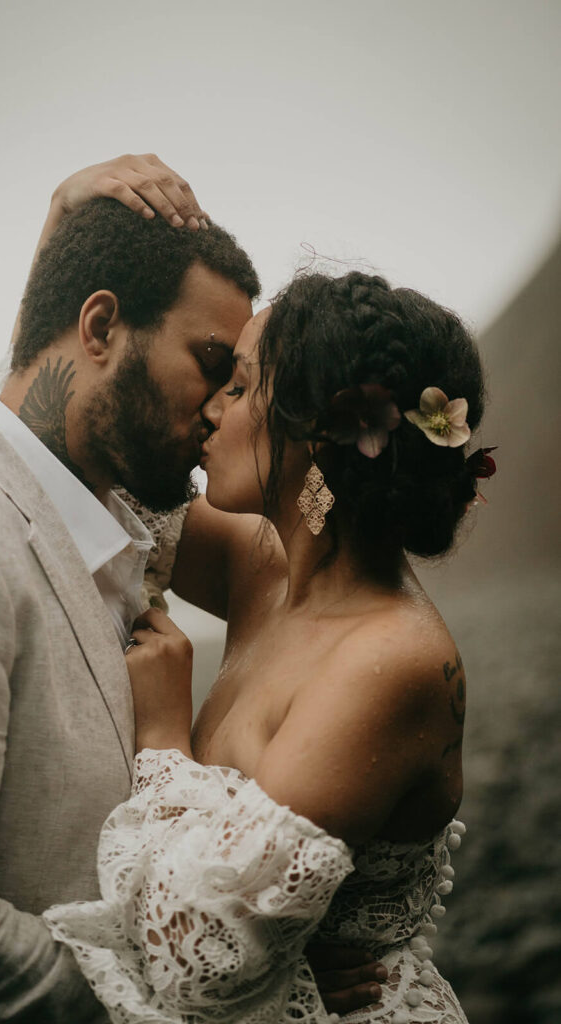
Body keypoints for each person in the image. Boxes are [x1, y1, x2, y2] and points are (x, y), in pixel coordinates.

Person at [0, 156, 383, 1023]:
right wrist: (180, 998)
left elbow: (35, 401)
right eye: (212, 365)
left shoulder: (115, 507)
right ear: (102, 326)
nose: (222, 408)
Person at [42, 268, 493, 1021]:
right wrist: (68, 229)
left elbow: (195, 962)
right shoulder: (261, 565)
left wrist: (161, 739)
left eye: (241, 385)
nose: (210, 408)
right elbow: (60, 459)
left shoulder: (389, 663)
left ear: (322, 428)